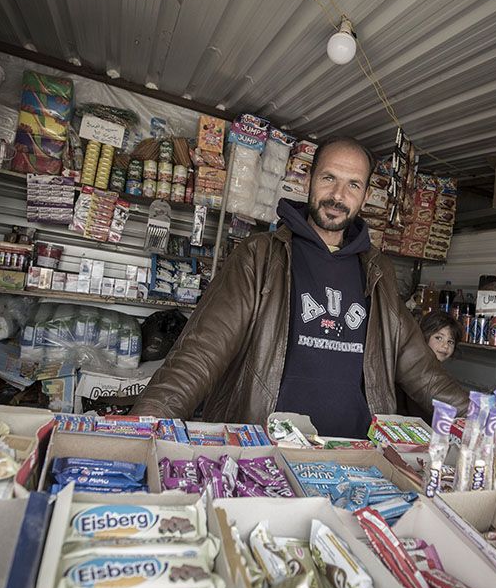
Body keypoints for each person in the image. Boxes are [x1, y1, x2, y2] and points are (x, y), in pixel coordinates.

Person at [129, 136, 467, 437]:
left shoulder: (378, 271)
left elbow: (422, 371)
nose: (338, 195)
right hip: (268, 450)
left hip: (354, 454)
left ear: (364, 196)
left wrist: (480, 422)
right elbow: (199, 354)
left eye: (353, 185)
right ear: (309, 180)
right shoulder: (260, 255)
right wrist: (143, 429)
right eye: (329, 178)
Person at [397, 310, 463, 420]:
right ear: (424, 336)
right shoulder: (416, 366)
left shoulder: (439, 372)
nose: (445, 345)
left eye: (450, 341)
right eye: (439, 338)